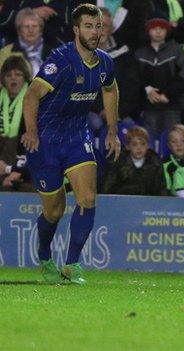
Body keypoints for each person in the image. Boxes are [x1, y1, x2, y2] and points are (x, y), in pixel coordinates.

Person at [21, 4, 121, 285]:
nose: (94, 32)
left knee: (88, 198)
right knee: (53, 211)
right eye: (88, 26)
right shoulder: (60, 60)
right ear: (76, 30)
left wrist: (112, 131)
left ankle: (72, 264)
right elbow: (31, 96)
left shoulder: (104, 62)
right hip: (47, 141)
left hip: (78, 135)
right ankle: (44, 256)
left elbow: (110, 89)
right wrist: (31, 131)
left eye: (98, 26)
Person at [135, 12, 184, 138]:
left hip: (172, 104)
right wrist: (148, 90)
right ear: (148, 30)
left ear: (167, 30)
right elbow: (136, 78)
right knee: (150, 138)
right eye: (154, 28)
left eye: (162, 28)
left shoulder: (176, 50)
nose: (158, 31)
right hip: (149, 104)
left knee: (173, 138)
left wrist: (167, 94)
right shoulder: (140, 53)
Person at [88, 7, 141, 132]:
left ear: (112, 29)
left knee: (130, 129)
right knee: (96, 123)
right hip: (89, 111)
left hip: (119, 111)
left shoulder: (124, 54)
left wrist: (117, 111)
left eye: (104, 26)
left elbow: (132, 89)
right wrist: (101, 110)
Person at [102, 126, 166, 196]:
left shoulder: (155, 162)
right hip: (122, 202)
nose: (139, 148)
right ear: (128, 146)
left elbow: (160, 189)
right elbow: (107, 188)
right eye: (134, 144)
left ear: (148, 145)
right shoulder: (117, 161)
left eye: (143, 144)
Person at [0, 55, 32, 192]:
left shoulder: (34, 101)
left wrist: (17, 171)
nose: (13, 78)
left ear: (25, 77)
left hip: (24, 160)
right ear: (3, 79)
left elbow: (33, 141)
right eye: (9, 75)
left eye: (18, 74)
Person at [0, 8, 55, 79]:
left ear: (41, 30)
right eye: (26, 27)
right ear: (19, 31)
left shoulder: (54, 52)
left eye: (34, 26)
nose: (31, 30)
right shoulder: (5, 53)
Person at [162, 123, 184, 195]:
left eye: (183, 141)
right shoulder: (164, 164)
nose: (178, 145)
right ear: (169, 145)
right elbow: (164, 192)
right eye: (174, 142)